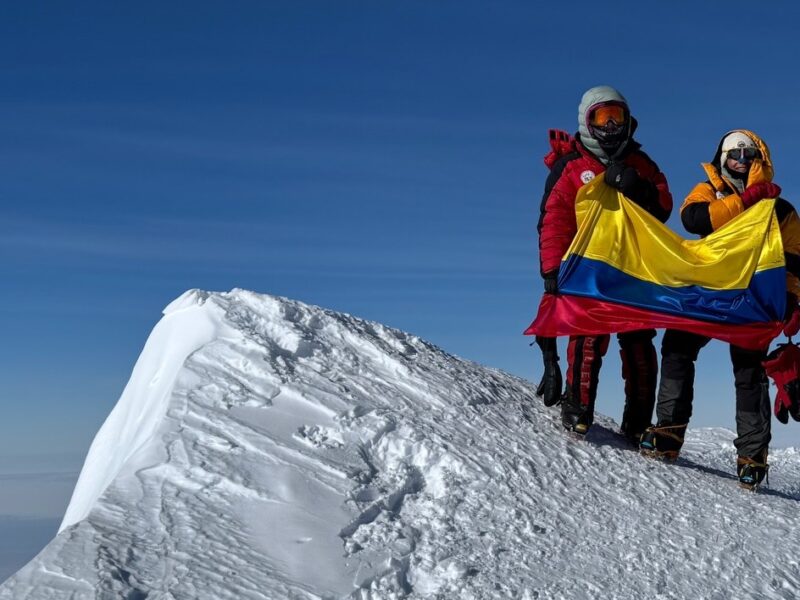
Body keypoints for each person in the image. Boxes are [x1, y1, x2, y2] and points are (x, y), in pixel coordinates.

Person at [639, 129, 800, 489]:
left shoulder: (781, 209)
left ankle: (753, 458)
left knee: (749, 370)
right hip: (708, 290)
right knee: (678, 348)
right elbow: (694, 219)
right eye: (734, 154)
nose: (740, 161)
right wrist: (747, 202)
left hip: (753, 297)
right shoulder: (708, 191)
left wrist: (792, 300)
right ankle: (668, 431)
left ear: (761, 159)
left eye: (748, 154)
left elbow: (793, 259)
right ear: (722, 157)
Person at [537, 85, 673, 442]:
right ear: (587, 121)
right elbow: (555, 218)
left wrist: (638, 189)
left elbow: (662, 208)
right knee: (586, 339)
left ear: (628, 120)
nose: (611, 125)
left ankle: (638, 421)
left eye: (617, 116)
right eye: (602, 116)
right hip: (588, 267)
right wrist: (552, 270)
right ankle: (578, 407)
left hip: (633, 267)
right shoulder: (571, 166)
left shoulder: (641, 163)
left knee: (639, 341)